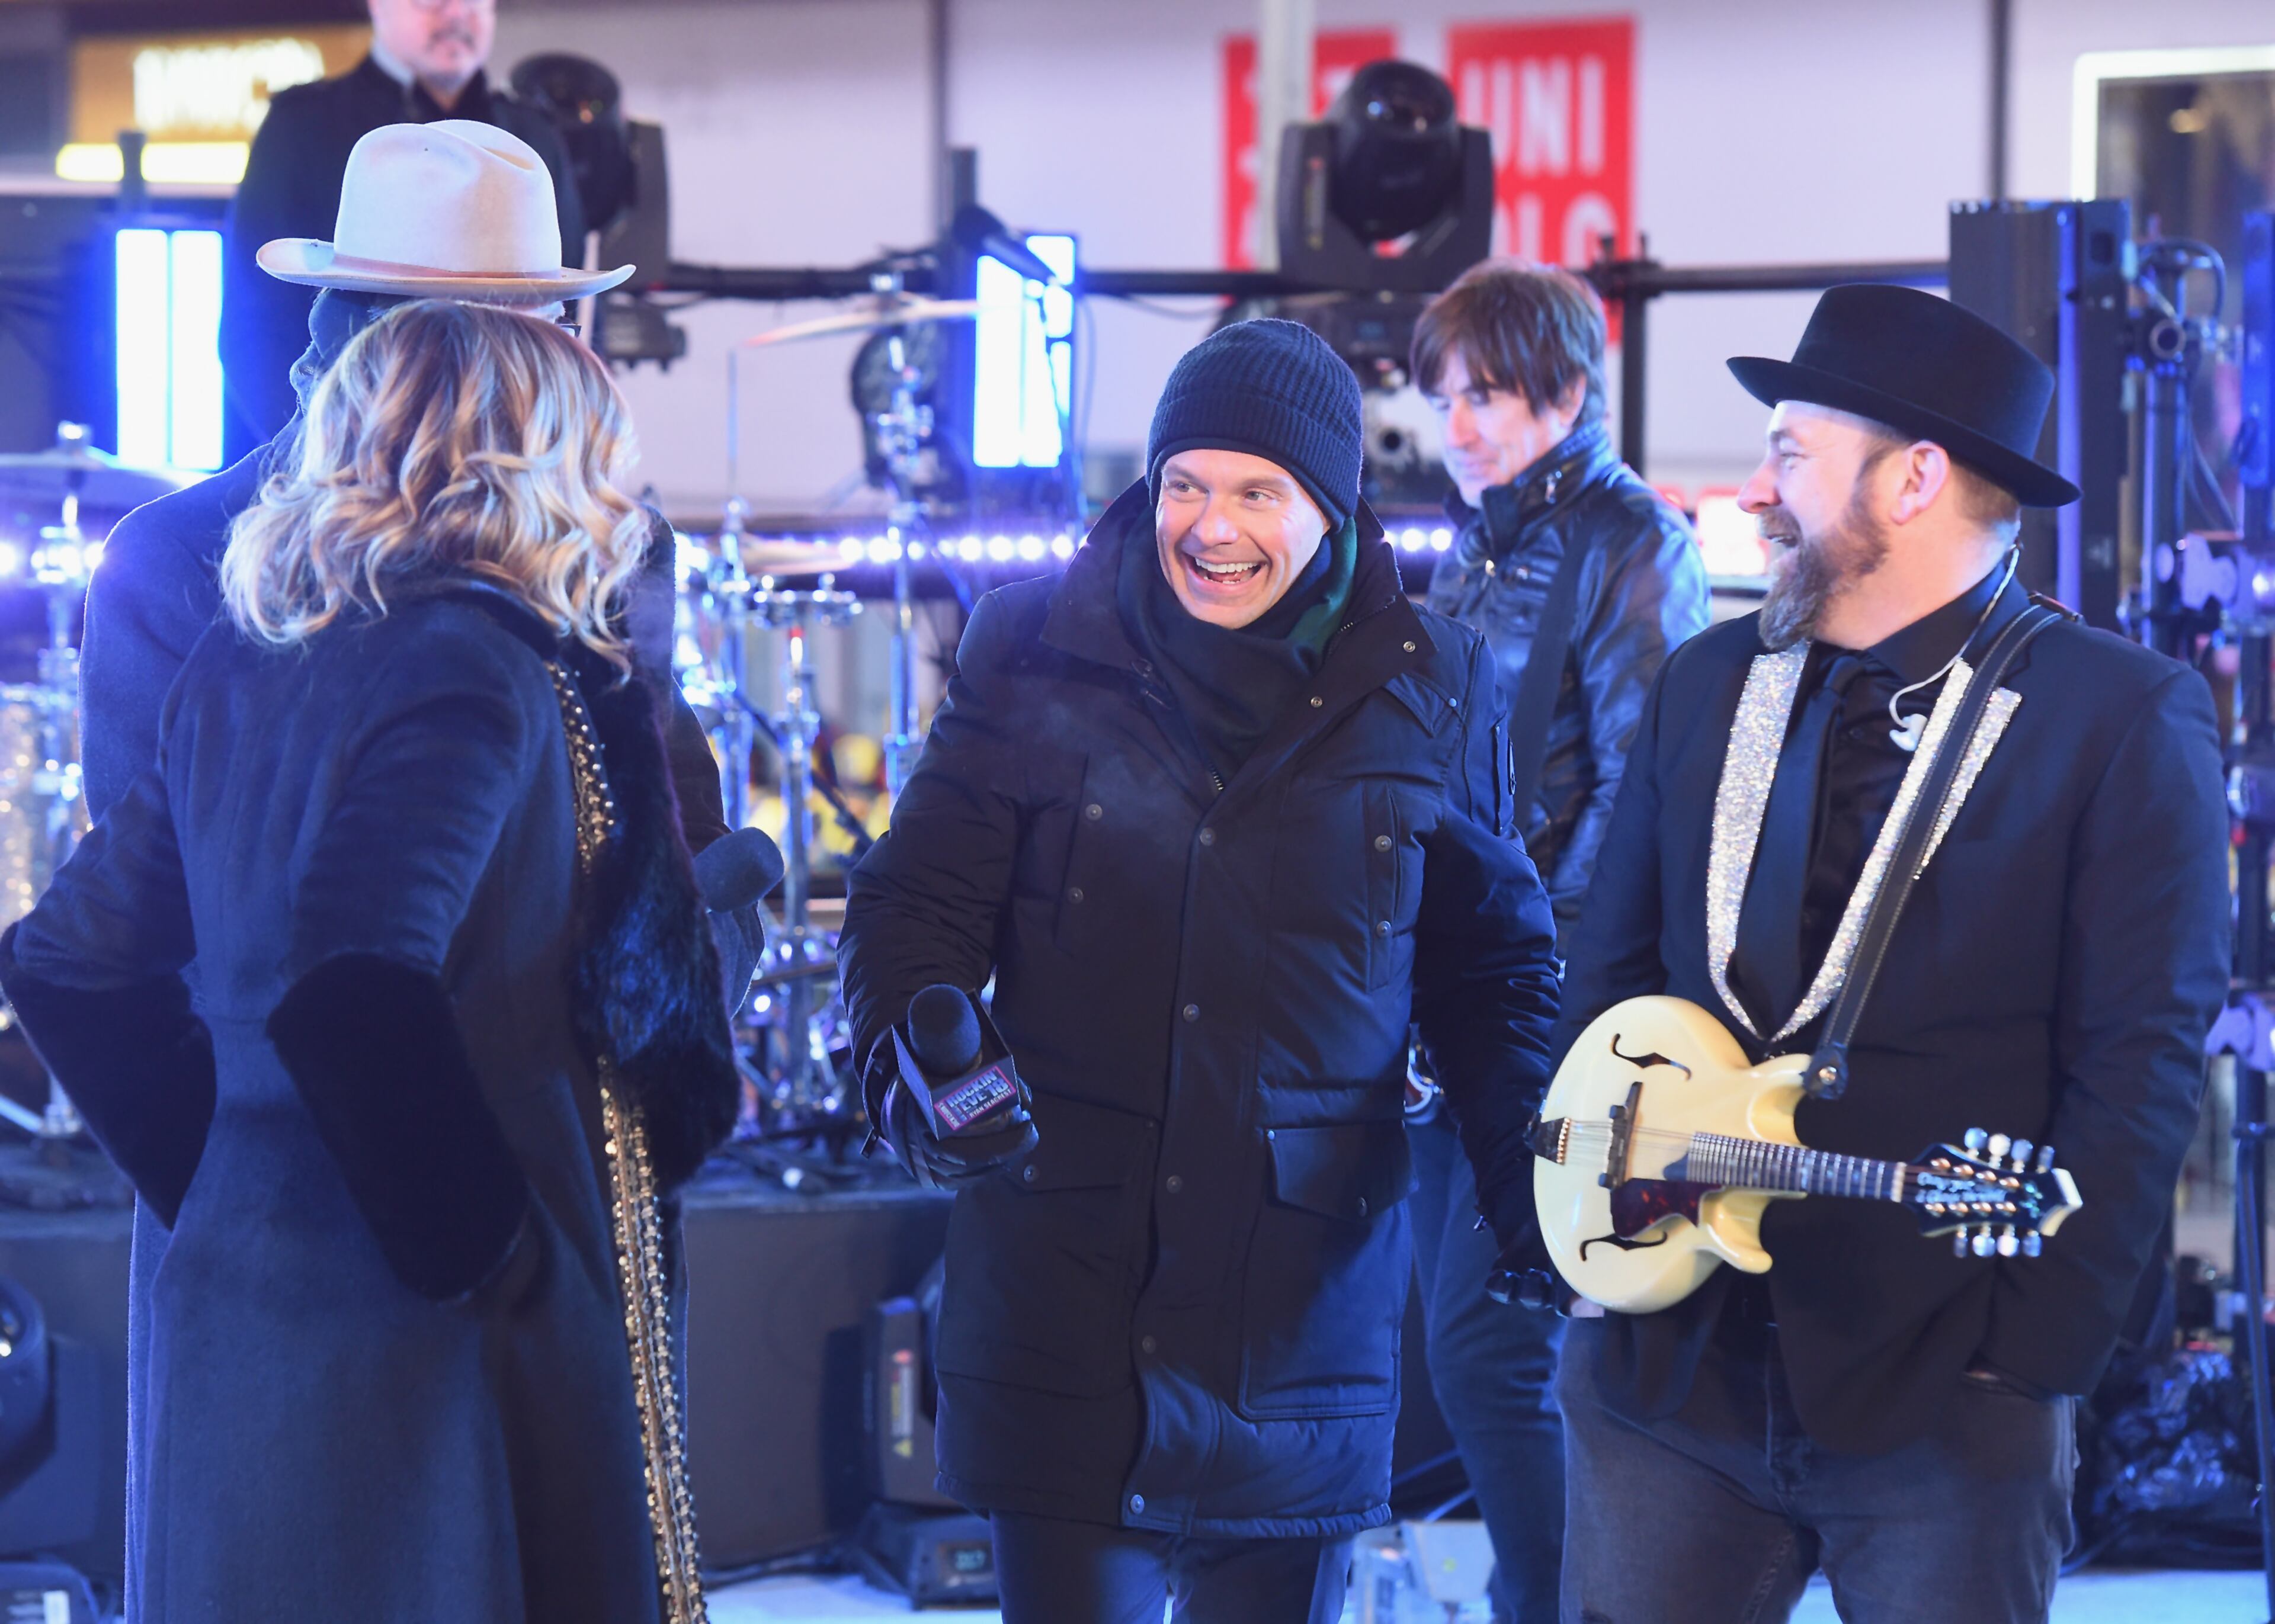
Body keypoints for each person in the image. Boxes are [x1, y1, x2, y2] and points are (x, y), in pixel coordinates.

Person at [82, 118, 758, 1619]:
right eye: (518, 322)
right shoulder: (186, 556)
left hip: (544, 1181)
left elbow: (648, 819)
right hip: (339, 1235)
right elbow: (152, 952)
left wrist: (698, 936)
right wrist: (269, 1182)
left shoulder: (602, 541)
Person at [837, 317, 1563, 1624]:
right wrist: (927, 1075)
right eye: (1184, 484)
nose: (1208, 526)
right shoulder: (1028, 649)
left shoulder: (1435, 685)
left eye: (1254, 493)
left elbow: (1491, 972)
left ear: (1329, 510)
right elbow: (914, 910)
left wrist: (1531, 1176)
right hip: (1065, 1306)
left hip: (1299, 1335)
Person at [1539, 284, 2231, 1623]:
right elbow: (1606, 977)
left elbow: (2137, 1060)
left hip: (1941, 1378)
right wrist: (1586, 1264)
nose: (1752, 486)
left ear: (1913, 478)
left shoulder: (2113, 713)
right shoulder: (1704, 681)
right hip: (1665, 1361)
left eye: (1790, 449)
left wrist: (2026, 1359)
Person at [1406, 258, 1707, 1622]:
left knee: (1488, 1347)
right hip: (1445, 1004)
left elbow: (1647, 791)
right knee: (1463, 1344)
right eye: (1443, 394)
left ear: (1566, 389)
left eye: (1485, 393)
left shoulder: (1625, 536)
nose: (1455, 423)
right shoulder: (1471, 544)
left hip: (1548, 1010)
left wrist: (1545, 998)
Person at [222, 0, 585, 455]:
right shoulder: (301, 126)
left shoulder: (536, 138)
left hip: (510, 463)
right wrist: (310, 462)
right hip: (335, 457)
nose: (456, 15)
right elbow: (253, 325)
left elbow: (559, 317)